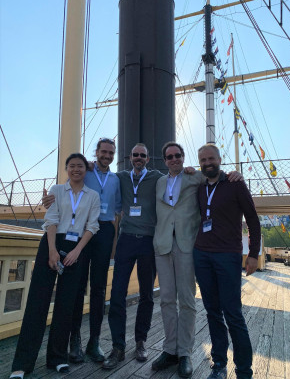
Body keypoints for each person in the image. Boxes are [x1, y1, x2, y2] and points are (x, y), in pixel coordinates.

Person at [152, 142, 243, 379]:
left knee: (187, 299)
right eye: (169, 156)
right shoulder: (159, 182)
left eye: (177, 155)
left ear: (183, 157)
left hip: (186, 244)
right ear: (165, 161)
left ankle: (185, 353)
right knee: (166, 299)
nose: (174, 159)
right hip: (162, 245)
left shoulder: (195, 177)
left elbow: (216, 178)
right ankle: (169, 349)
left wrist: (234, 173)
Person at [10, 153, 100, 379]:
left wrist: (77, 251)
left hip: (76, 247)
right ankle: (22, 364)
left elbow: (92, 226)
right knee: (37, 302)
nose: (76, 170)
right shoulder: (56, 191)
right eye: (72, 166)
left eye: (80, 166)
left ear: (85, 170)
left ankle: (57, 358)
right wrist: (51, 250)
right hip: (52, 242)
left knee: (66, 304)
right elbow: (51, 220)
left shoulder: (93, 196)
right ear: (66, 169)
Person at [42, 138, 121, 363]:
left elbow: (118, 209)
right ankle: (74, 340)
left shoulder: (115, 179)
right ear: (96, 153)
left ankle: (94, 341)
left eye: (110, 153)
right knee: (76, 286)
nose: (107, 156)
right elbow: (69, 186)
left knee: (98, 288)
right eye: (103, 152)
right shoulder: (85, 171)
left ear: (113, 155)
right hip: (79, 232)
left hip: (103, 231)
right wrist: (51, 198)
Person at [194, 144, 260, 379]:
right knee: (212, 311)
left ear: (220, 160)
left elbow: (252, 219)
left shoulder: (235, 184)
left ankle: (244, 370)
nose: (207, 162)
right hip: (201, 255)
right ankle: (219, 364)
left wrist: (253, 253)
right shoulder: (199, 186)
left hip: (227, 256)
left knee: (233, 313)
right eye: (203, 159)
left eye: (211, 158)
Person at [102, 143, 163, 369]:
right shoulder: (120, 177)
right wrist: (89, 167)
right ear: (129, 158)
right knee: (117, 292)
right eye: (135, 155)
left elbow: (181, 180)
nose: (138, 158)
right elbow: (102, 174)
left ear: (148, 159)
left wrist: (188, 170)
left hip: (148, 240)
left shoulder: (157, 177)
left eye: (143, 155)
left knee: (146, 294)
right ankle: (118, 346)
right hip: (126, 240)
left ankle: (141, 341)